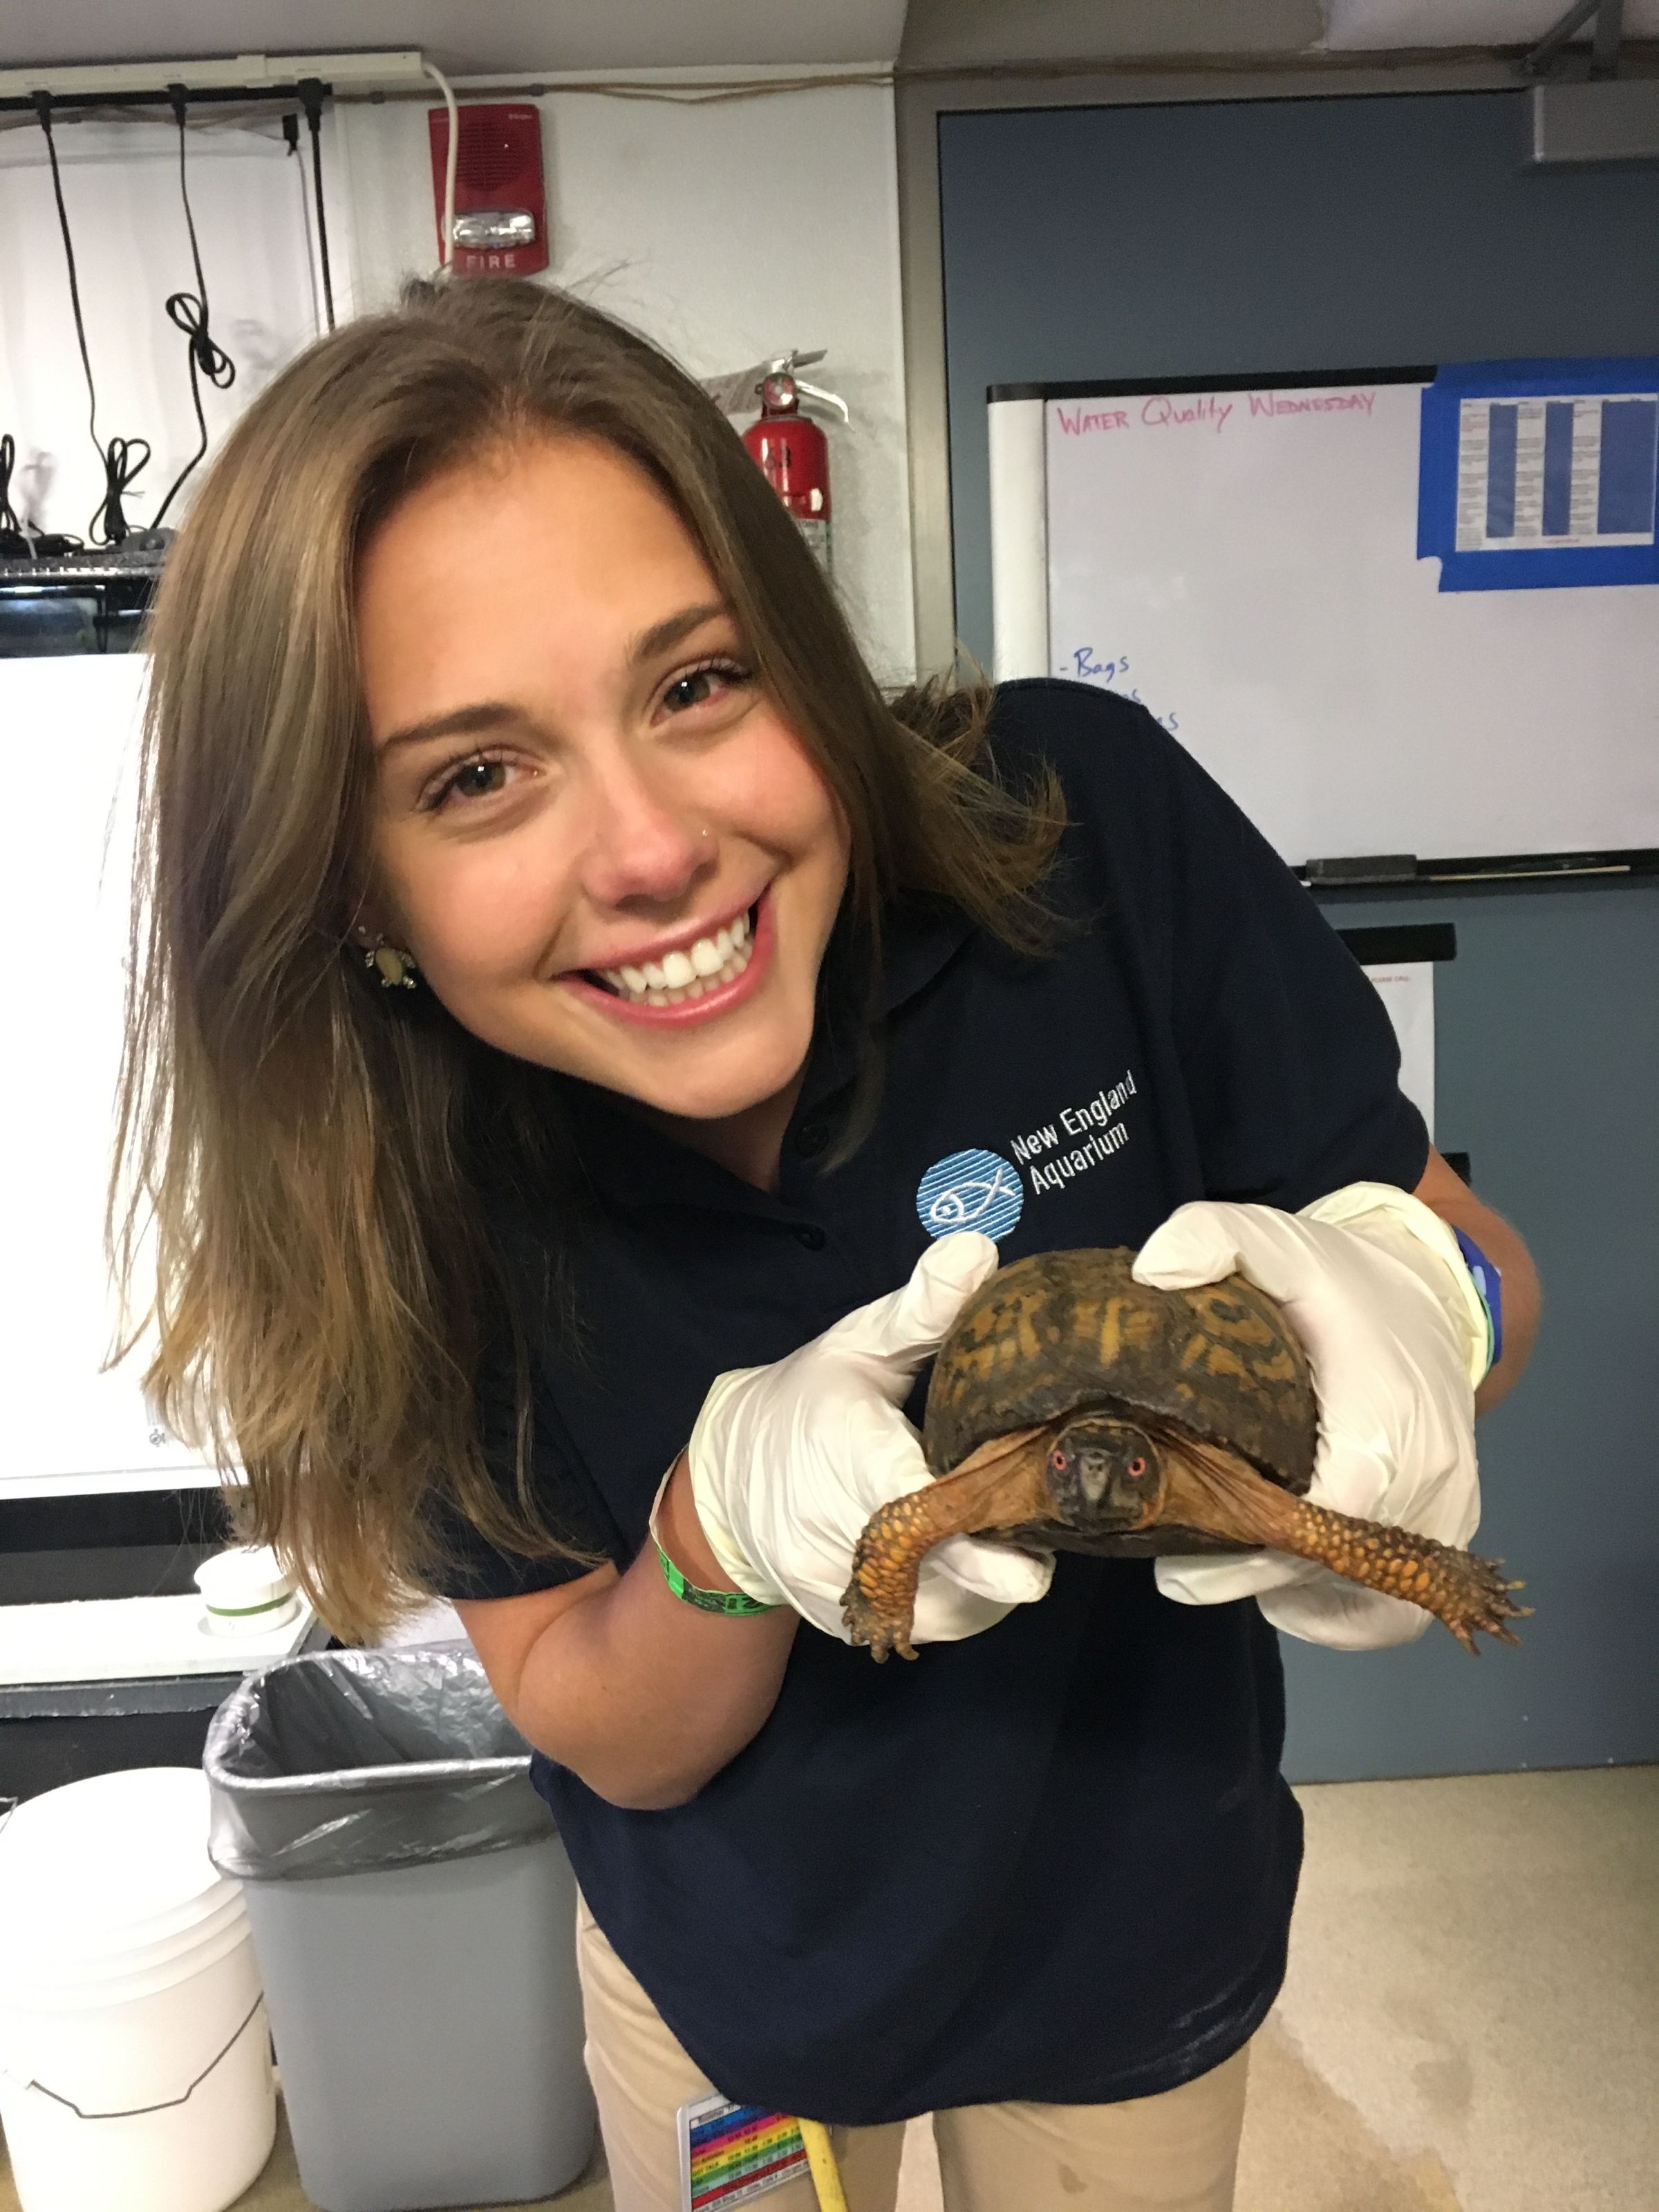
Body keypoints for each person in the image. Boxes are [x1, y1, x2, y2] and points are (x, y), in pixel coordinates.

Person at [124, 278, 1539, 2212]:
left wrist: (1421, 1310)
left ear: (801, 656)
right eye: (476, 775)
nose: (647, 849)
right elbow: (613, 1743)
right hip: (734, 1993)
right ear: (351, 880)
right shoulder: (393, 1182)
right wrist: (722, 1538)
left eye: (697, 682)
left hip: (1131, 1941)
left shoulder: (1081, 825)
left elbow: (1467, 1268)